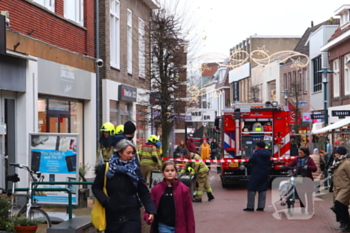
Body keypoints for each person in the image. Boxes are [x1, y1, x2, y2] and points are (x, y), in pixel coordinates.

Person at [92, 139, 156, 232]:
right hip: (113, 215)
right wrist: (106, 201)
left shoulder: (135, 170)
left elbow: (143, 192)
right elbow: (96, 188)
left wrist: (150, 210)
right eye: (128, 153)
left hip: (131, 214)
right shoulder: (107, 169)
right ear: (120, 153)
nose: (131, 156)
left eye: (133, 153)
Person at [145, 161, 195, 233]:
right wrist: (148, 216)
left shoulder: (183, 189)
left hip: (180, 226)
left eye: (172, 170)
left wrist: (190, 229)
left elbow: (189, 212)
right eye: (167, 171)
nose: (170, 173)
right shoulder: (156, 189)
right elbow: (150, 205)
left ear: (176, 172)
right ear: (162, 173)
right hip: (163, 225)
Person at [283, 147, 317, 214]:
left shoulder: (309, 160)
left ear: (305, 153)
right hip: (299, 179)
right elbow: (291, 164)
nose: (299, 154)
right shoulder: (296, 159)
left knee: (309, 195)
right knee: (301, 195)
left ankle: (310, 210)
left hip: (308, 179)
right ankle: (302, 208)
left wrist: (307, 167)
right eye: (299, 152)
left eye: (301, 152)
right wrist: (285, 167)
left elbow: (315, 168)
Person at [243, 141, 271, 212]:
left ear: (258, 146)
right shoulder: (268, 154)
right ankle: (261, 207)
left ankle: (250, 206)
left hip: (256, 172)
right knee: (262, 188)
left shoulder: (256, 154)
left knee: (251, 188)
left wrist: (246, 164)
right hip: (265, 173)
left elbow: (250, 161)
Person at [328, 146, 350, 231]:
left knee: (339, 203)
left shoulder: (347, 163)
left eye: (336, 153)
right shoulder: (337, 162)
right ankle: (346, 224)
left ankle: (345, 223)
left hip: (345, 187)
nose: (335, 154)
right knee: (342, 206)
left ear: (341, 153)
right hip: (338, 188)